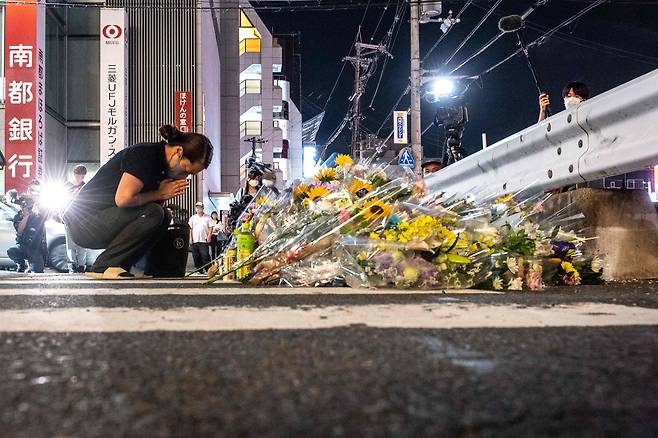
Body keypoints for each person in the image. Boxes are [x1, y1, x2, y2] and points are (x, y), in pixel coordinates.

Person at [63, 124, 213, 279]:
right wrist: (158, 193)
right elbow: (123, 199)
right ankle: (104, 266)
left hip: (103, 220)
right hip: (82, 224)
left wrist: (160, 196)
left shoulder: (162, 168)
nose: (184, 176)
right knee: (154, 213)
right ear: (178, 152)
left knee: (164, 216)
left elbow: (148, 216)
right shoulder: (145, 155)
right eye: (186, 170)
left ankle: (128, 266)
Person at [8, 196, 45, 273]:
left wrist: (38, 203)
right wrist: (26, 216)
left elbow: (44, 212)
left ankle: (33, 264)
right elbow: (20, 231)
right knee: (11, 251)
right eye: (23, 205)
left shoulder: (37, 216)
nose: (26, 207)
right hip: (22, 246)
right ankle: (21, 264)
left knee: (37, 270)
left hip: (35, 248)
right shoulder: (18, 216)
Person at [65, 165, 89, 273]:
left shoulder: (85, 186)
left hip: (82, 218)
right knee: (70, 243)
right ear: (74, 174)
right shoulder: (67, 186)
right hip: (69, 217)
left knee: (82, 243)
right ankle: (72, 264)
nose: (80, 178)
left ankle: (81, 265)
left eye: (82, 176)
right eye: (79, 176)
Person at [189, 201, 213, 272]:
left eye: (200, 207)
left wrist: (209, 236)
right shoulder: (192, 218)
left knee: (205, 255)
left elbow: (210, 228)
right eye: (197, 207)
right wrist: (190, 238)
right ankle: (199, 269)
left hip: (203, 240)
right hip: (195, 240)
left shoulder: (208, 217)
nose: (199, 209)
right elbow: (190, 229)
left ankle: (208, 269)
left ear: (203, 208)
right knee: (196, 256)